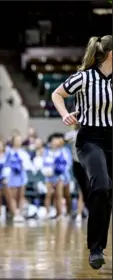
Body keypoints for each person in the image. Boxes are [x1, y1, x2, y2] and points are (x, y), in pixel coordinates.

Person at [51, 35, 112, 270]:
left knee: (107, 194)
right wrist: (64, 113)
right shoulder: (84, 78)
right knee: (101, 186)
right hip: (90, 140)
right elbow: (57, 94)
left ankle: (99, 245)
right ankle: (95, 248)